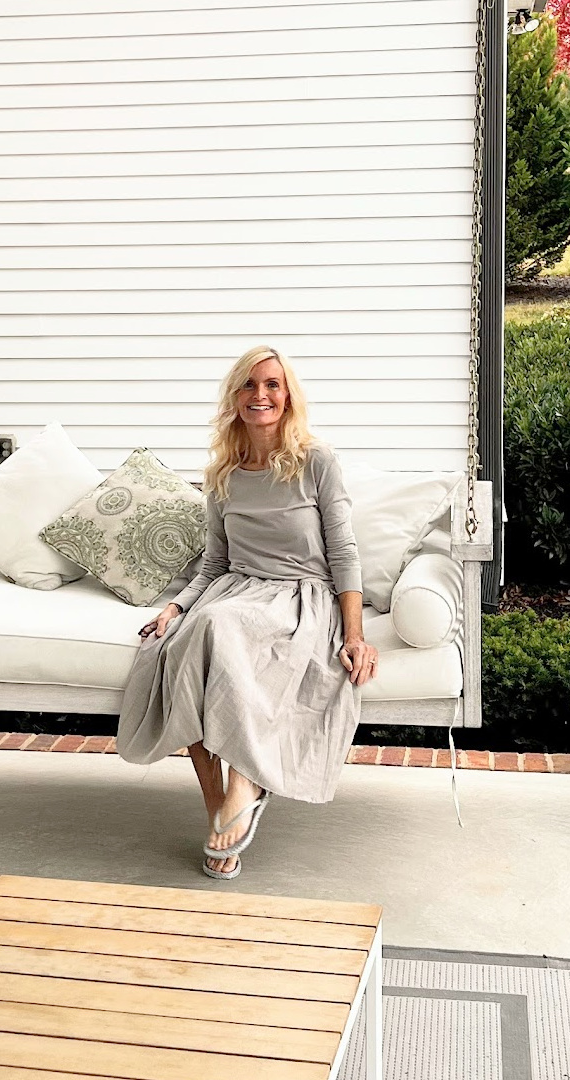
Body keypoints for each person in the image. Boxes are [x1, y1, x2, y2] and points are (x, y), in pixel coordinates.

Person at [117, 345, 379, 879]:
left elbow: (344, 554)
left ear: (288, 395)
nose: (261, 395)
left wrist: (354, 635)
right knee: (183, 643)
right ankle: (218, 803)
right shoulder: (223, 475)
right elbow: (213, 564)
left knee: (216, 627)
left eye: (273, 385)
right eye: (249, 386)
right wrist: (174, 607)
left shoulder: (316, 463)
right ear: (235, 398)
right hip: (233, 591)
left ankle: (245, 781)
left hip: (300, 597)